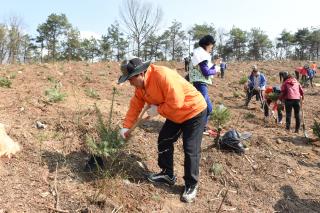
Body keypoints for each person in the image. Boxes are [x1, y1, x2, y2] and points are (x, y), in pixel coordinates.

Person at [118, 57, 207, 203]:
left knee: (190, 148)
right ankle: (167, 174)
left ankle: (191, 184)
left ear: (140, 74)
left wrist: (158, 109)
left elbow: (177, 102)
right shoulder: (141, 87)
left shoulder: (162, 75)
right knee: (164, 139)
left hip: (193, 111)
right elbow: (135, 106)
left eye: (130, 79)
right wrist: (126, 126)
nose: (130, 83)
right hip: (175, 113)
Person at [188, 35, 218, 134]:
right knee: (202, 107)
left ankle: (202, 128)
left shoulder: (199, 54)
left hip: (200, 83)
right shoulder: (201, 54)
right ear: (208, 44)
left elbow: (206, 68)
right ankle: (194, 128)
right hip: (199, 84)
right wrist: (216, 69)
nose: (212, 48)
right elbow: (206, 72)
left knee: (208, 108)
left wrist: (215, 65)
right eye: (211, 46)